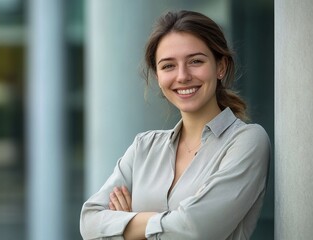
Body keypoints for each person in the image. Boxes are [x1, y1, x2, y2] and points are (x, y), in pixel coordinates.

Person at [80, 10, 270, 240]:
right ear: (158, 76)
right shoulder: (144, 148)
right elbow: (89, 222)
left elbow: (196, 229)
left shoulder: (247, 142)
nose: (182, 76)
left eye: (196, 61)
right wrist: (172, 221)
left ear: (220, 67)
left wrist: (127, 222)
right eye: (168, 66)